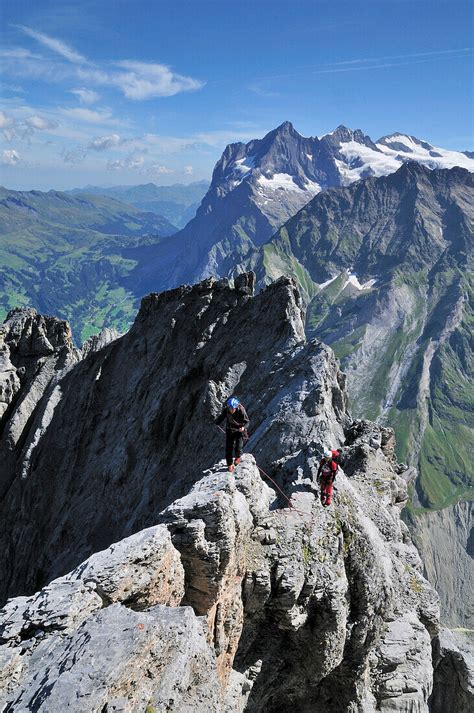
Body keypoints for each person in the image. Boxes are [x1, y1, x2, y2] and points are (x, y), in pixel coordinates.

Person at [215, 397, 249, 472]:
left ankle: (238, 457)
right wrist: (216, 422)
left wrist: (243, 428)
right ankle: (229, 464)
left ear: (236, 407)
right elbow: (221, 417)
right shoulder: (227, 410)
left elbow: (247, 422)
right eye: (230, 408)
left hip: (239, 430)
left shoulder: (241, 410)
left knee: (238, 446)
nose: (231, 410)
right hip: (230, 430)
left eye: (232, 408)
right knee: (228, 448)